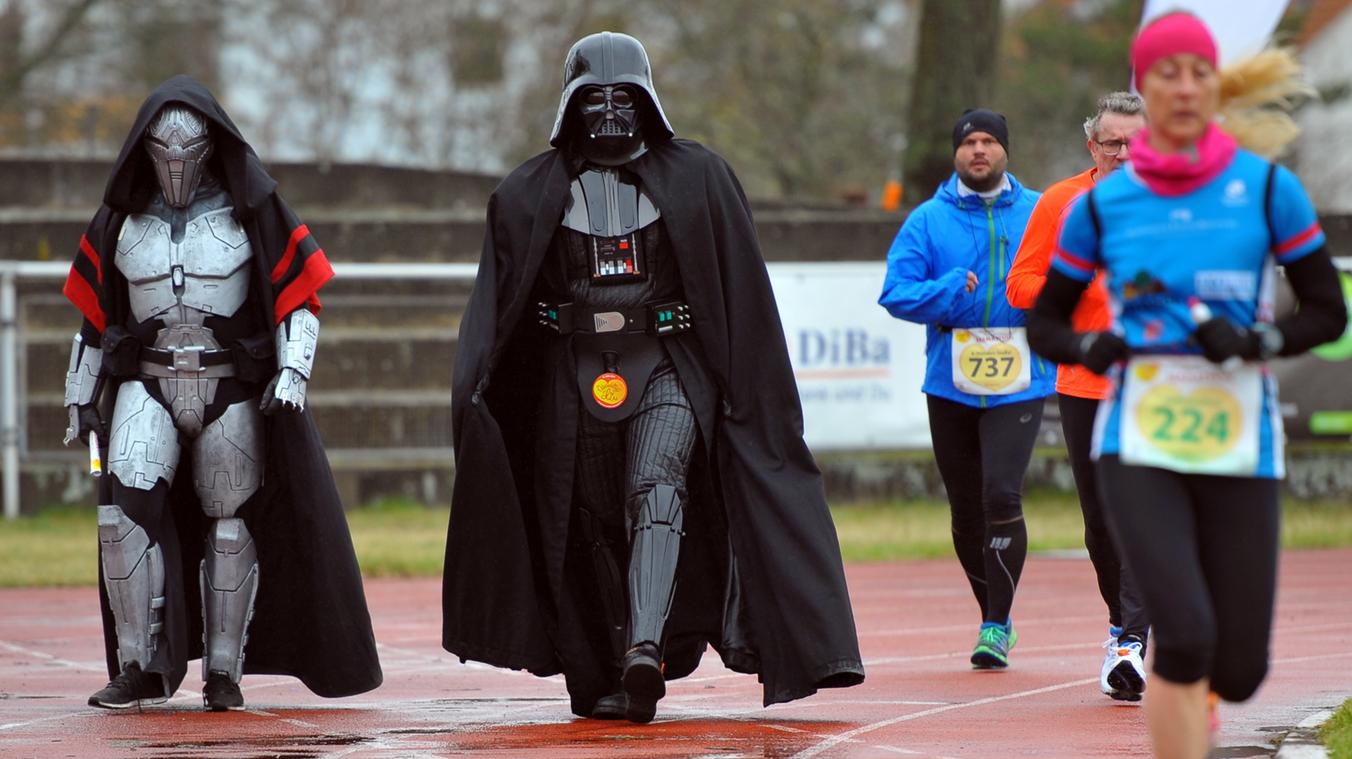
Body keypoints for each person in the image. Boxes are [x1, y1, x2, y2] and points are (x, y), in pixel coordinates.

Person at [443, 32, 864, 724]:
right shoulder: (526, 192)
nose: (609, 112)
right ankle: (608, 661)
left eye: (623, 97)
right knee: (586, 522)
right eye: (593, 98)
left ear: (646, 100)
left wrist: (741, 391)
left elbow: (737, 294)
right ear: (570, 105)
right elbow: (501, 302)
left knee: (658, 489)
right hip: (566, 375)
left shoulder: (698, 178)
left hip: (666, 363)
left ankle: (647, 648)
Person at [1026, 13, 1346, 759]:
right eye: (1160, 74)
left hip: (1239, 437)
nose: (1179, 87)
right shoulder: (1102, 207)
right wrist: (1093, 348)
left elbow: (1327, 312)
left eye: (1193, 72)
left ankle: (1205, 695)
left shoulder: (1266, 189)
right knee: (1183, 635)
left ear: (1215, 88)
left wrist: (1252, 338)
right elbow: (1044, 319)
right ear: (1145, 90)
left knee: (1237, 667)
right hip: (1136, 434)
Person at [61, 76, 382, 711]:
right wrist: (79, 394)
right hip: (147, 382)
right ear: (144, 148)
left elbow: (299, 299)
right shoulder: (120, 220)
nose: (175, 160)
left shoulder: (253, 210)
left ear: (212, 145)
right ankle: (137, 666)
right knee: (121, 517)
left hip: (228, 387)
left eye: (188, 146)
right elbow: (95, 319)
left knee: (230, 524)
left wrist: (292, 374)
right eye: (162, 147)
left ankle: (224, 674)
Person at [880, 109, 1052, 669]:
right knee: (965, 508)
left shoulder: (1040, 212)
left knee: (1002, 494)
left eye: (990, 141)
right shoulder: (928, 220)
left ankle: (996, 625)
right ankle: (992, 614)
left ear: (1006, 150)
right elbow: (897, 293)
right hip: (950, 380)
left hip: (1019, 378)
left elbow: (1072, 277)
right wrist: (952, 289)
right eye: (970, 142)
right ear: (957, 153)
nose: (979, 150)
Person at [1006, 91, 1150, 701]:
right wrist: (1083, 284)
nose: (1123, 152)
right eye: (1112, 142)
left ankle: (1131, 642)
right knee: (1101, 523)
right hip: (1084, 383)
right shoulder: (1062, 202)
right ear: (1091, 146)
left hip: (1159, 383)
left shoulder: (1179, 202)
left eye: (1134, 142)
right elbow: (1020, 285)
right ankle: (1124, 624)